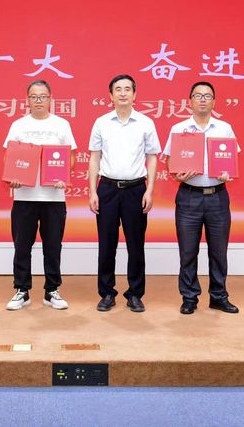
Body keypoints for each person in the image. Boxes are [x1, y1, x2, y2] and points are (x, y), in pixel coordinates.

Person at [161, 81, 240, 315]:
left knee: (219, 251)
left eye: (207, 96)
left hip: (217, 197)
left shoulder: (224, 128)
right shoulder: (179, 128)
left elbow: (232, 159)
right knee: (188, 252)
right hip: (189, 197)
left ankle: (219, 296)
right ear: (190, 101)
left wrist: (227, 173)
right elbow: (170, 161)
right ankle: (189, 297)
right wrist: (176, 174)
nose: (203, 99)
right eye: (198, 95)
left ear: (214, 101)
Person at [88, 74, 161, 313]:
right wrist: (93, 191)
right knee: (106, 244)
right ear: (110, 96)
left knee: (136, 245)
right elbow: (94, 158)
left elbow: (152, 158)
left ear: (134, 94)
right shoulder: (101, 123)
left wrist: (150, 190)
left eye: (127, 89)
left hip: (136, 190)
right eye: (118, 89)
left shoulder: (145, 123)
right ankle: (107, 293)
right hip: (107, 189)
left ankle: (135, 294)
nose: (122, 93)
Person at [2, 79, 76, 311]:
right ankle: (22, 290)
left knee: (53, 246)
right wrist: (12, 176)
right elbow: (9, 156)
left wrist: (64, 175)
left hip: (53, 198)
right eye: (34, 97)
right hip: (24, 196)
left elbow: (71, 157)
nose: (38, 101)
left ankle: (51, 290)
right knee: (22, 246)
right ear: (27, 100)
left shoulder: (61, 124)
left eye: (42, 96)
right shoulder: (18, 125)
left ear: (50, 98)